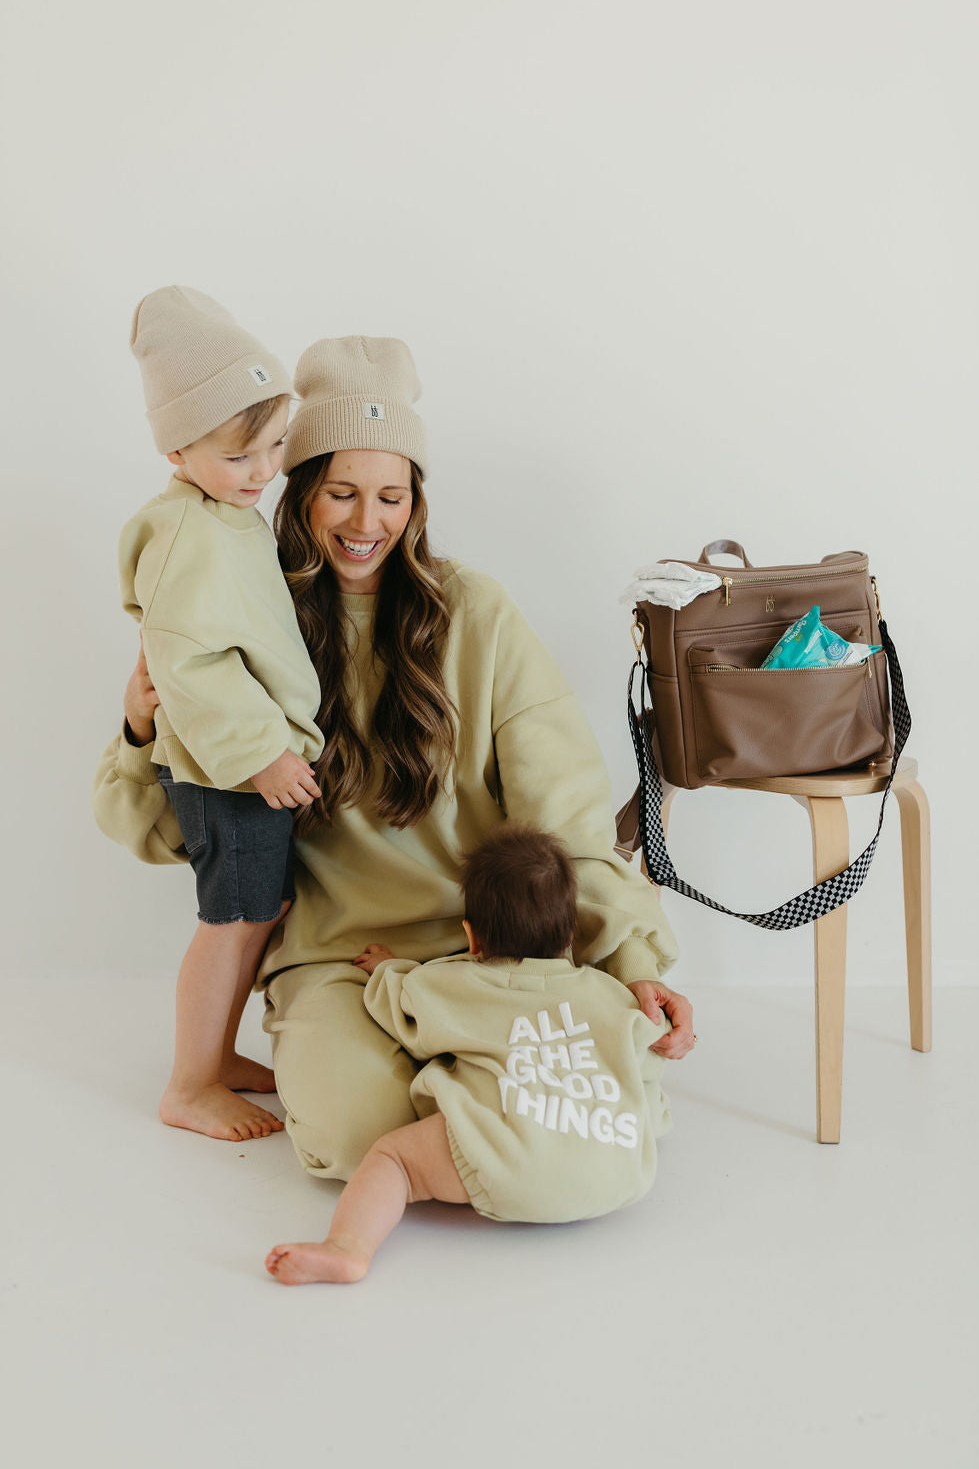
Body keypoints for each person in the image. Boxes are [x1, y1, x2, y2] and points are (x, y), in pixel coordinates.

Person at [94, 333, 695, 1182]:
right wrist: (140, 732)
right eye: (341, 493)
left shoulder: (475, 612)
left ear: (416, 501)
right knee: (353, 1142)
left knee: (596, 1127)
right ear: (299, 491)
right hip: (338, 964)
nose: (366, 523)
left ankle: (464, 1070)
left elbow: (562, 808)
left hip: (494, 952)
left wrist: (629, 960)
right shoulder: (237, 609)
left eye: (391, 497)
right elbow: (171, 836)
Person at [265, 823, 671, 1285]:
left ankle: (347, 1248)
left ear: (472, 937)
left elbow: (399, 1006)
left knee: (393, 1159)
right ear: (571, 933)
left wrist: (387, 967)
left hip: (502, 1162)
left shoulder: (454, 984)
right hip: (617, 1175)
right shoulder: (612, 997)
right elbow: (648, 1063)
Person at [113, 287, 324, 1143]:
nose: (264, 471)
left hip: (245, 758)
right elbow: (191, 661)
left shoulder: (224, 511)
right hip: (224, 765)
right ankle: (189, 1083)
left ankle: (220, 1052)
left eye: (274, 446)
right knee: (230, 919)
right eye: (241, 457)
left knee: (261, 912)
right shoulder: (187, 534)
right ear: (176, 448)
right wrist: (261, 753)